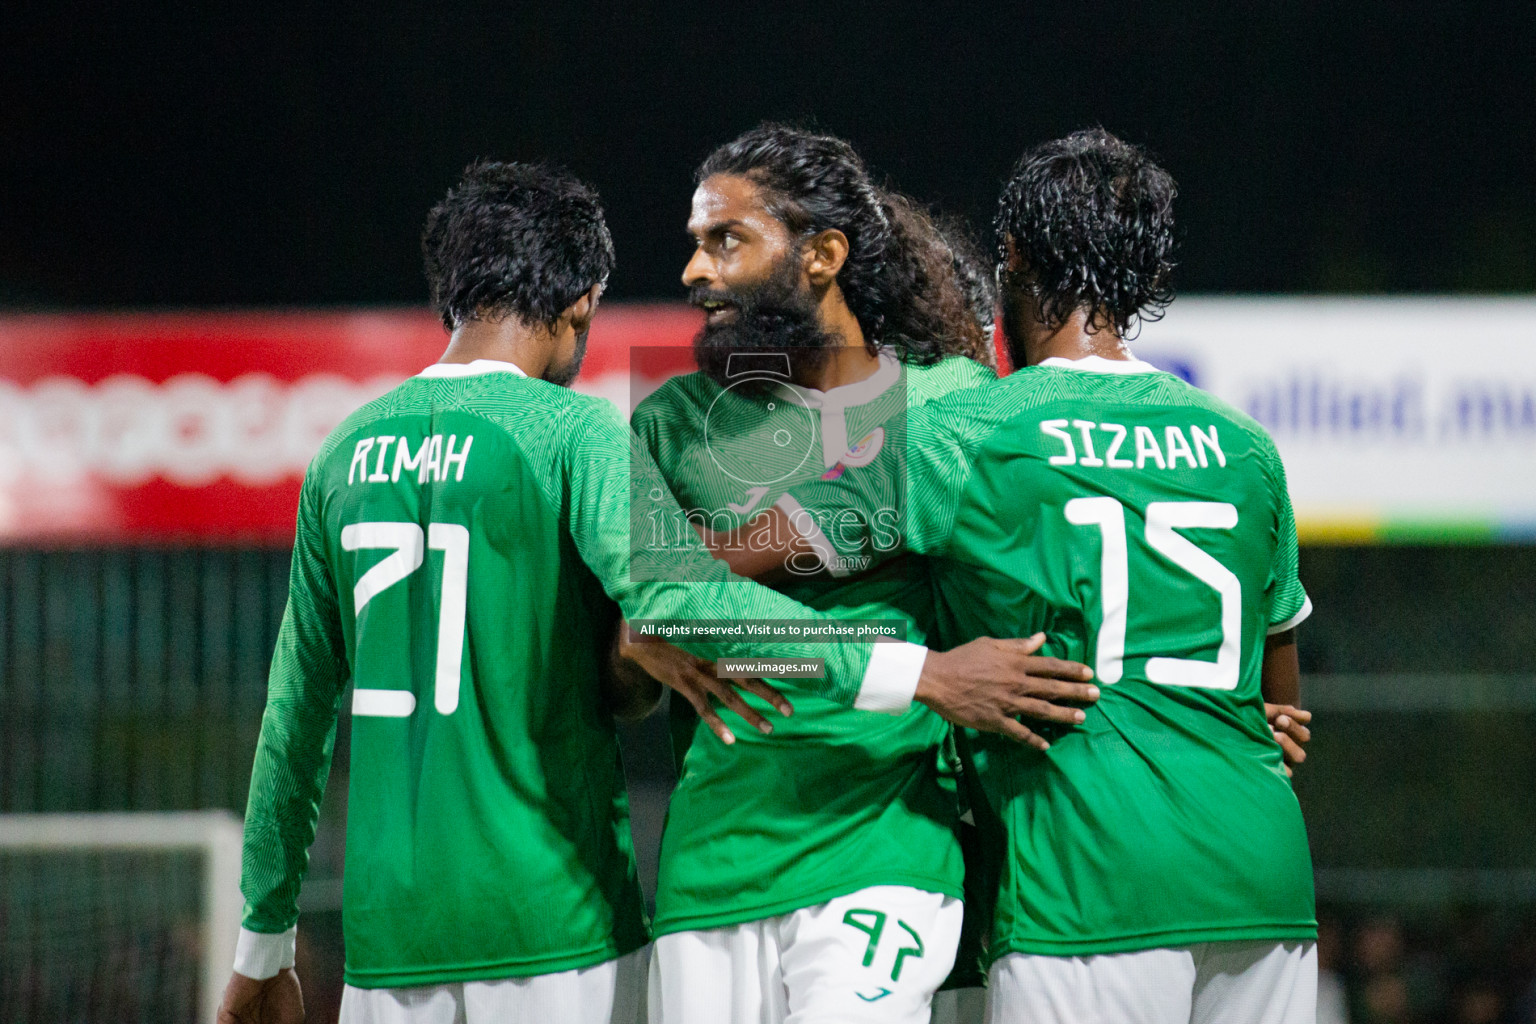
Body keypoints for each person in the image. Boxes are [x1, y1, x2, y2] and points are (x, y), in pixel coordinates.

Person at [213, 160, 1080, 1024]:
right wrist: (916, 672)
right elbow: (664, 616)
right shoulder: (590, 430)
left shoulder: (339, 456)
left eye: (722, 240)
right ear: (583, 297)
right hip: (565, 914)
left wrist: (262, 943)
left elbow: (294, 715)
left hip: (388, 932)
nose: (695, 271)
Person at [713, 129, 1320, 1023]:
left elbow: (719, 565)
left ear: (1015, 263)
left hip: (1089, 886)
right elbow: (1281, 707)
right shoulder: (1245, 447)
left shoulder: (973, 432)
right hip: (1264, 879)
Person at [614, 125, 1093, 1024]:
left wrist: (1219, 694)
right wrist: (637, 638)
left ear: (823, 254)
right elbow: (628, 648)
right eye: (694, 243)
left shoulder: (951, 399)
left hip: (886, 845)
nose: (694, 271)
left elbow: (1049, 582)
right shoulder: (672, 421)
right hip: (713, 857)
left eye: (726, 239)